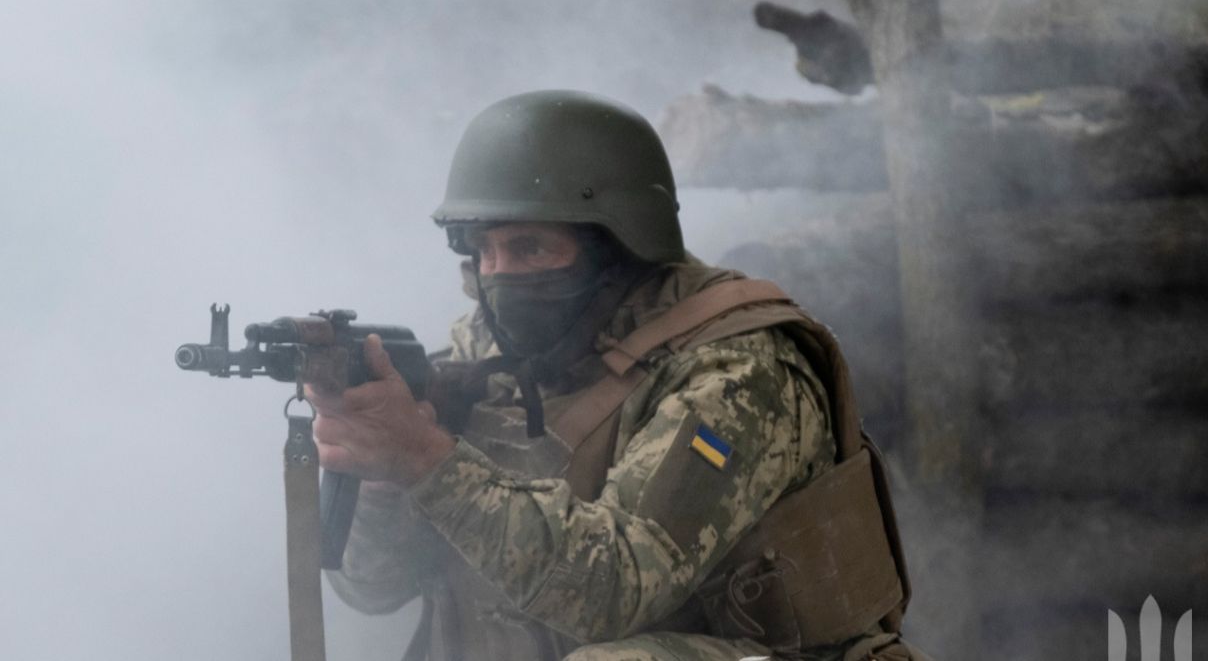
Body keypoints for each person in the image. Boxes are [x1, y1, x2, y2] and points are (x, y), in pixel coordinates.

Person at [304, 90, 925, 661]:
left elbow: (616, 590)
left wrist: (427, 462)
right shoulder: (486, 354)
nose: (500, 276)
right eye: (483, 250)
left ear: (616, 248)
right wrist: (381, 481)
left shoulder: (736, 372)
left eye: (530, 248)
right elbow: (373, 590)